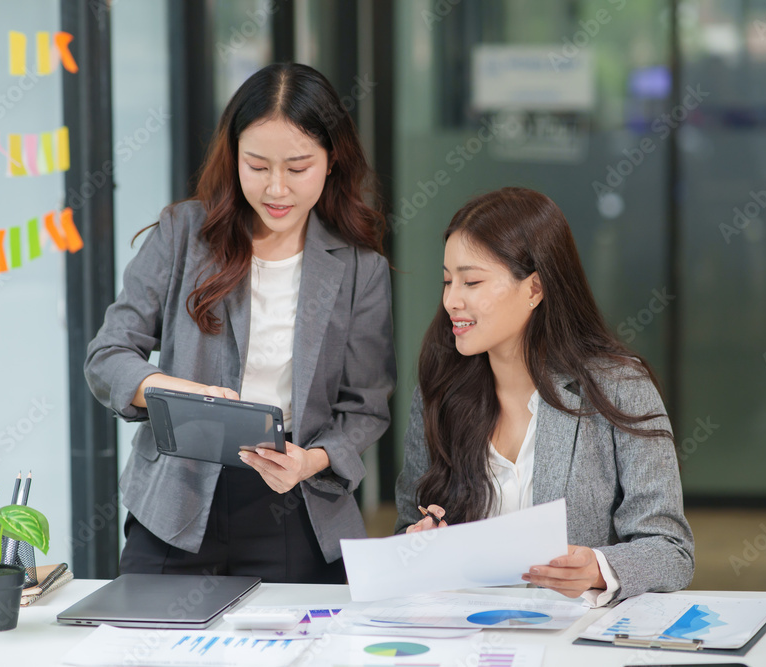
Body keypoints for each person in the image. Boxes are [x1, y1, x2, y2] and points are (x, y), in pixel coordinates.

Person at [85, 63, 395, 583]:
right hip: (176, 499)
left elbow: (365, 408)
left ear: (332, 160)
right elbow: (108, 355)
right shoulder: (184, 234)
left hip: (294, 502)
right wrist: (172, 391)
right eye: (257, 166)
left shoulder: (361, 268)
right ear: (233, 158)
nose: (277, 189)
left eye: (297, 168)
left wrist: (311, 461)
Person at [395, 187, 693, 606]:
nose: (451, 300)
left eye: (472, 281)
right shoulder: (438, 390)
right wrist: (418, 543)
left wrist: (597, 569)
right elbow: (407, 525)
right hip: (467, 637)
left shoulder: (619, 387)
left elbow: (671, 551)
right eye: (447, 281)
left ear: (535, 288)